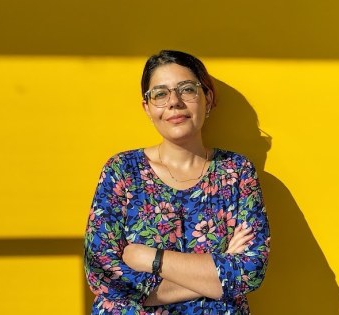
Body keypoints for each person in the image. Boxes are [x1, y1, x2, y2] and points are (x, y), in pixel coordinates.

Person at [84, 50, 270, 314]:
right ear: (147, 108)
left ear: (208, 98)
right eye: (160, 94)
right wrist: (218, 272)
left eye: (187, 89)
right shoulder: (122, 171)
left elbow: (250, 272)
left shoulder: (236, 172)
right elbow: (103, 276)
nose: (174, 102)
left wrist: (151, 258)